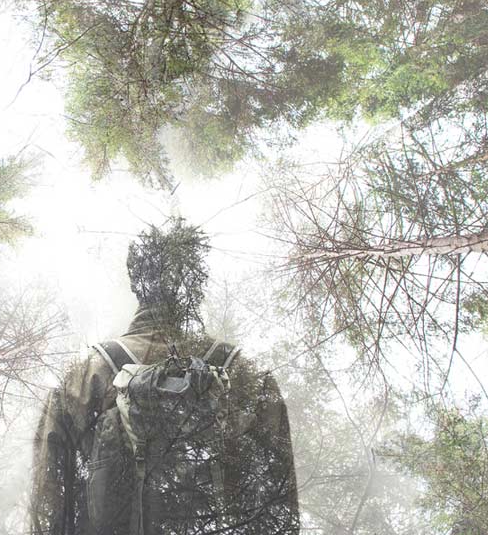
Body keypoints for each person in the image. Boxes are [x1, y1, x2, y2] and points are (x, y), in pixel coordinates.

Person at [29, 220, 299, 534]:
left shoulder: (87, 375)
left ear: (136, 283)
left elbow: (49, 498)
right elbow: (282, 500)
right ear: (196, 284)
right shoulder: (243, 376)